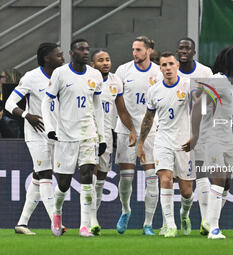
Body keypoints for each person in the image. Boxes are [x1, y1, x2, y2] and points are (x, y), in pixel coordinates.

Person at [42, 38, 107, 237]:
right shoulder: (61, 73)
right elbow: (47, 101)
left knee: (88, 176)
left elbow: (98, 107)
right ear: (72, 52)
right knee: (64, 183)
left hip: (88, 135)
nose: (85, 52)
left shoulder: (95, 75)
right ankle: (57, 212)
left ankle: (84, 226)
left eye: (87, 49)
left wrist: (101, 135)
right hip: (66, 136)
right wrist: (50, 128)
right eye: (81, 49)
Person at [5, 43, 64, 235]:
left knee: (38, 175)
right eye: (59, 55)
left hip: (55, 133)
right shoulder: (31, 77)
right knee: (45, 173)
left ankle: (22, 224)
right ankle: (55, 222)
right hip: (36, 133)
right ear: (47, 58)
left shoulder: (62, 76)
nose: (62, 58)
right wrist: (26, 115)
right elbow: (9, 103)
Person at [189, 47, 233, 239]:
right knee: (219, 179)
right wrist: (195, 135)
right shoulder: (217, 81)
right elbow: (197, 106)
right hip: (211, 137)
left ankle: (208, 221)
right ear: (231, 63)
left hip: (226, 137)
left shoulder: (228, 84)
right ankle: (214, 228)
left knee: (227, 182)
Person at [138, 52, 195, 238]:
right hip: (162, 140)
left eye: (171, 64)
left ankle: (184, 215)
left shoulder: (188, 85)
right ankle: (170, 224)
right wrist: (141, 142)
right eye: (164, 65)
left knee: (187, 191)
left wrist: (196, 136)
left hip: (184, 142)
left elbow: (201, 111)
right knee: (166, 179)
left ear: (177, 65)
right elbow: (148, 118)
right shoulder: (154, 90)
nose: (168, 68)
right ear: (160, 68)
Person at [114, 36, 161, 235]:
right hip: (126, 129)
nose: (135, 53)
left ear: (149, 51)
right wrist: (131, 128)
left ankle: (148, 223)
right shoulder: (123, 71)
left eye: (139, 49)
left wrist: (145, 131)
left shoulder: (158, 72)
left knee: (152, 176)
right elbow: (119, 102)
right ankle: (126, 211)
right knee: (126, 178)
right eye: (133, 49)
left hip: (151, 131)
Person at [169, 37, 214, 236]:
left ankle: (206, 221)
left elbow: (213, 101)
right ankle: (180, 216)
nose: (183, 51)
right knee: (180, 184)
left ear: (194, 51)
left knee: (202, 174)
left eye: (187, 48)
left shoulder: (204, 72)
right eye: (181, 48)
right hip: (174, 132)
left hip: (200, 131)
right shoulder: (170, 71)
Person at [90, 49, 136, 235]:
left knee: (101, 176)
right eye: (100, 60)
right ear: (93, 64)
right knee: (90, 173)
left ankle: (93, 216)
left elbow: (122, 110)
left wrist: (132, 129)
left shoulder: (116, 81)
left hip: (106, 134)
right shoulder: (87, 79)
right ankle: (90, 219)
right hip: (88, 132)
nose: (105, 63)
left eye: (107, 59)